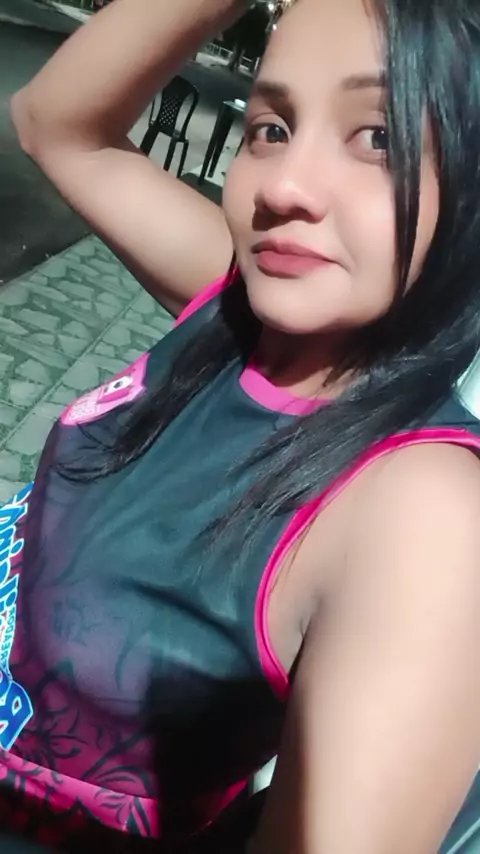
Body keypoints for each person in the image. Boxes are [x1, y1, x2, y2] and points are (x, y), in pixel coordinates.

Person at [6, 0, 480, 851]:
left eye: (378, 137)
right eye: (271, 128)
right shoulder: (238, 312)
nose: (284, 187)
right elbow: (55, 123)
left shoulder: (424, 512)